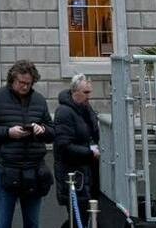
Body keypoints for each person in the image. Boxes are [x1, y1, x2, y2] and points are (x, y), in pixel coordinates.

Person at [0, 59, 53, 228]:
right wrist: (8, 132)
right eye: (21, 82)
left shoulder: (39, 100)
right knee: (3, 223)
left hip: (34, 170)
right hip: (7, 169)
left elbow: (52, 132)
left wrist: (42, 130)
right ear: (12, 79)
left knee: (33, 223)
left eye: (28, 83)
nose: (25, 87)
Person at [53, 73, 103, 225]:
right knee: (77, 217)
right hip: (75, 174)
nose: (89, 97)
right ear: (75, 92)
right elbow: (64, 146)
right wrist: (90, 153)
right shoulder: (64, 112)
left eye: (90, 92)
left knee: (86, 216)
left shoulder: (86, 109)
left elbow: (94, 134)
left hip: (89, 172)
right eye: (86, 92)